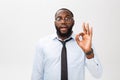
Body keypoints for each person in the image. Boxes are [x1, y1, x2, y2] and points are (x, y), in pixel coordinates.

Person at [31, 8, 103, 80]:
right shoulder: (43, 43)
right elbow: (36, 75)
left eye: (67, 18)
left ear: (73, 22)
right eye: (59, 19)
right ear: (55, 22)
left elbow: (97, 74)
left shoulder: (84, 44)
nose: (63, 22)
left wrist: (88, 53)